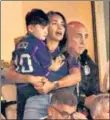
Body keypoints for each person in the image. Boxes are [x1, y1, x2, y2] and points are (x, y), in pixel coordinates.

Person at [6, 11, 81, 119]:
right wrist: (29, 78)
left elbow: (76, 76)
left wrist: (53, 85)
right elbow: (11, 74)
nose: (60, 27)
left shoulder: (68, 55)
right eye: (54, 23)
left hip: (60, 108)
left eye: (62, 24)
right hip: (31, 104)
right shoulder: (28, 48)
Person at [66, 21, 100, 115]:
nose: (83, 42)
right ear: (66, 38)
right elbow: (53, 94)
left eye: (85, 37)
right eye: (78, 36)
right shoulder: (56, 61)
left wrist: (99, 99)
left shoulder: (88, 62)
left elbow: (94, 91)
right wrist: (83, 100)